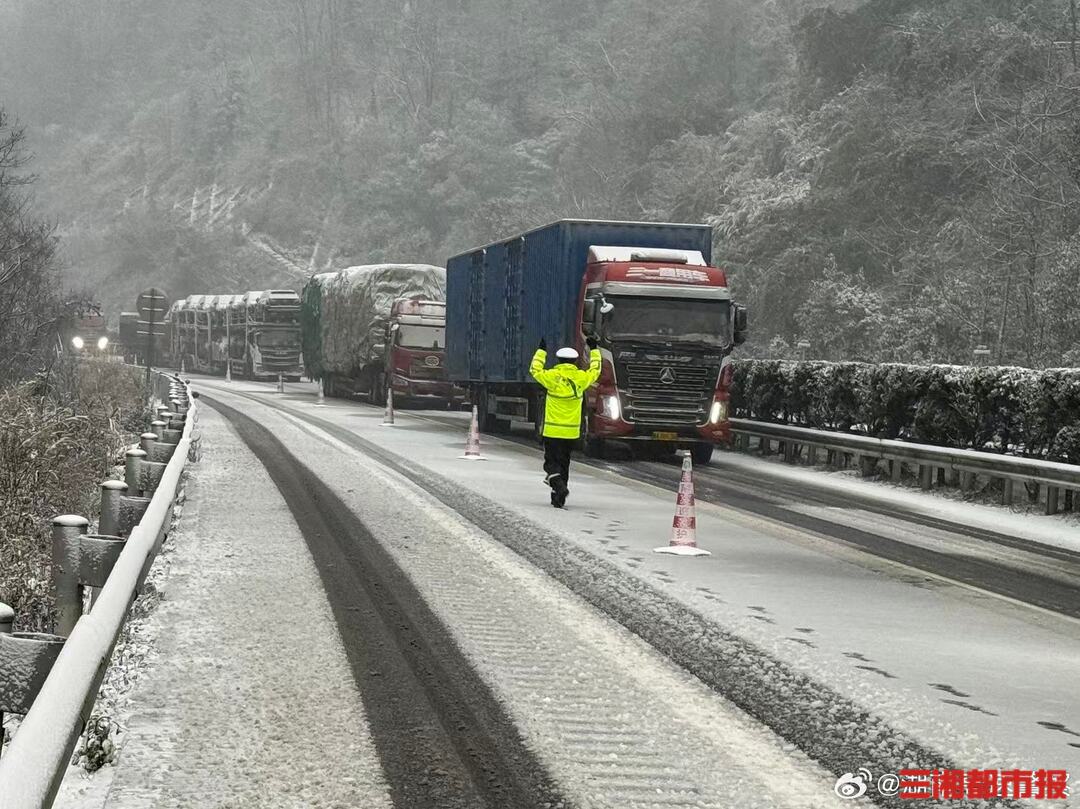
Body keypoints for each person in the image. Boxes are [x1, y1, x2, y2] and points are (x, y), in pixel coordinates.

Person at [529, 335, 602, 508]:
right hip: (571, 432)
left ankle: (559, 487)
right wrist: (594, 350)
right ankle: (558, 499)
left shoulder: (552, 377)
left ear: (559, 360)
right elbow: (596, 370)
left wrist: (541, 351)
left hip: (552, 431)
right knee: (564, 464)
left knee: (551, 464)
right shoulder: (581, 379)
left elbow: (535, 370)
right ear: (575, 361)